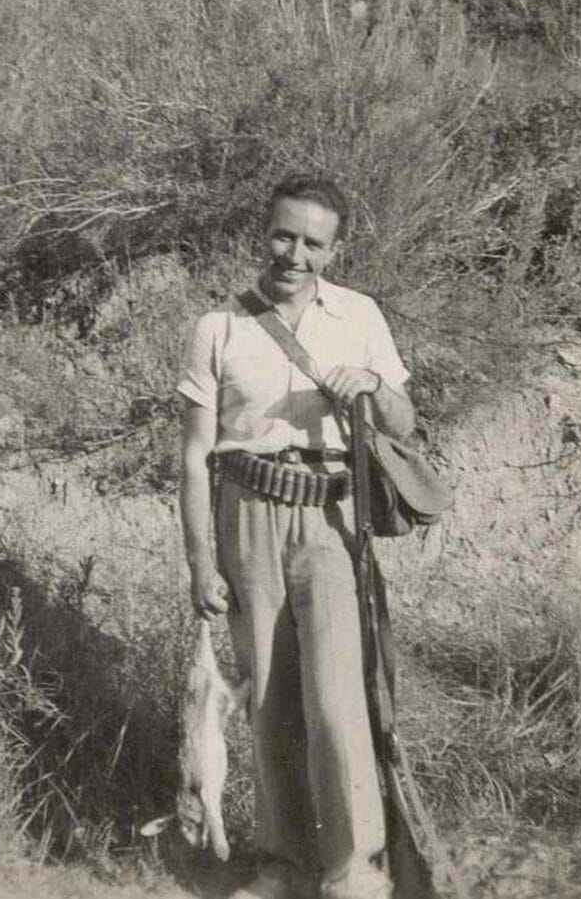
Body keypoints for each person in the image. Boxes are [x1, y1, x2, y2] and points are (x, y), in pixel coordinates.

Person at [177, 174, 415, 899]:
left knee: (337, 701)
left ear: (333, 250)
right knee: (269, 700)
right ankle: (281, 863)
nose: (295, 254)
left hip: (330, 520)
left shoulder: (359, 315)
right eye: (284, 235)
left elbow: (404, 422)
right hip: (245, 516)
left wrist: (372, 384)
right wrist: (200, 561)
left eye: (314, 242)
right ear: (264, 232)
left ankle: (353, 868)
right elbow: (194, 454)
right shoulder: (218, 327)